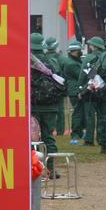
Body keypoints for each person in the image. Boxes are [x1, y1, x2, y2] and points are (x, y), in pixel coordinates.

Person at [29, 32, 66, 160]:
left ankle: (34, 167)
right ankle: (51, 167)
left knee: (32, 140)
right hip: (51, 106)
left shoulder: (25, 62)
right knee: (49, 138)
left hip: (33, 107)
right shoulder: (52, 61)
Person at [62, 40, 89, 143]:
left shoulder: (74, 61)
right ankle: (76, 134)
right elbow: (81, 75)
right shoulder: (71, 64)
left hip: (75, 89)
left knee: (80, 112)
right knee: (78, 113)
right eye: (79, 50)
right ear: (75, 51)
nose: (81, 52)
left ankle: (79, 132)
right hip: (75, 90)